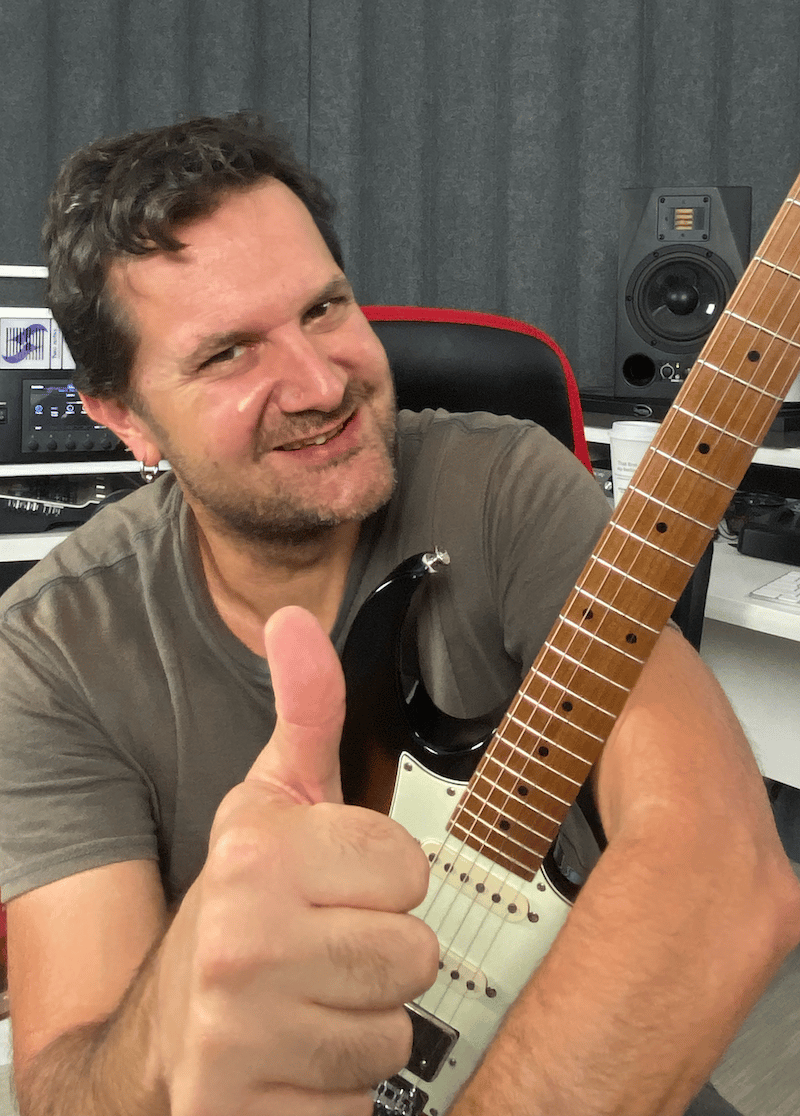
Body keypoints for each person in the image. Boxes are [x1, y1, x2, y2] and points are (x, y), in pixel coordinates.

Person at [0, 113, 798, 1116]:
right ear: (121, 416)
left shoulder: (506, 481)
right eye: (227, 356)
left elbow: (723, 872)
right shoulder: (48, 649)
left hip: (585, 1040)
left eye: (324, 307)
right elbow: (67, 1086)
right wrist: (169, 1000)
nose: (322, 383)